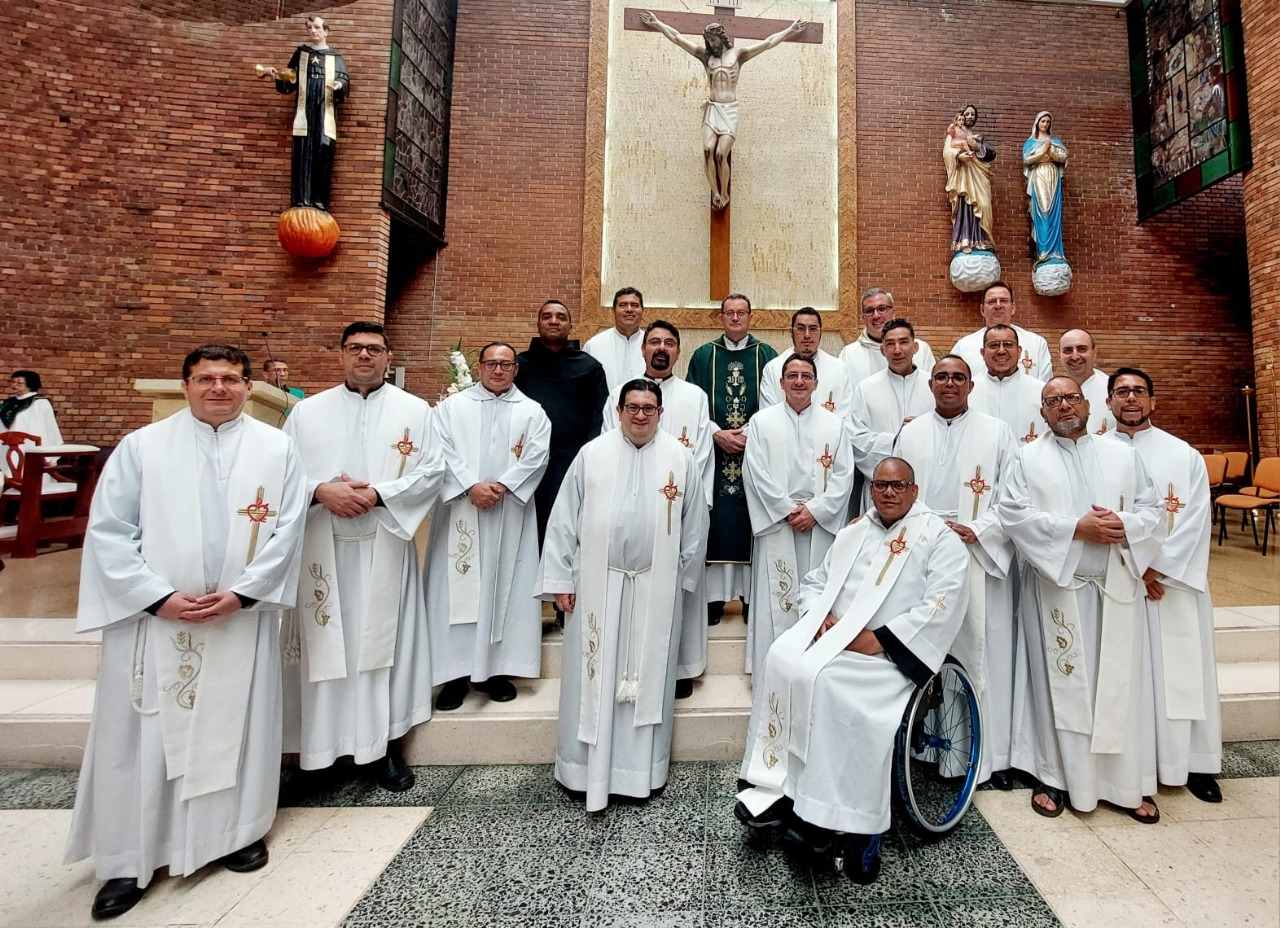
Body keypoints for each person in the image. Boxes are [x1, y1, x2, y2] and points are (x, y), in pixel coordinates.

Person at [66, 345, 307, 921]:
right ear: (185, 386)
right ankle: (128, 858)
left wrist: (245, 592)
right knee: (141, 738)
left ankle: (234, 833)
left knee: (237, 724)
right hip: (156, 619)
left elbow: (288, 528)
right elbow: (109, 531)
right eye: (206, 379)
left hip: (237, 616)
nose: (218, 388)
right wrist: (158, 597)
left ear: (248, 386)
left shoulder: (277, 448)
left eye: (230, 379)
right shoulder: (142, 447)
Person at [735, 458, 969, 883]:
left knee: (827, 686)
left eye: (899, 485)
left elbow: (942, 604)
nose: (889, 492)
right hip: (834, 640)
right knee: (780, 660)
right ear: (872, 489)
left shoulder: (938, 538)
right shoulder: (856, 530)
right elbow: (816, 582)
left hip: (886, 658)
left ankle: (829, 817)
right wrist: (820, 615)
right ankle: (780, 787)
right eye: (881, 485)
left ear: (915, 491)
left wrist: (880, 640)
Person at [282, 322, 444, 793]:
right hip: (323, 544)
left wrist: (378, 494)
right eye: (355, 348)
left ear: (389, 357)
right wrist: (320, 490)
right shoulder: (307, 413)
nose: (365, 356)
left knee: (381, 647)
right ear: (341, 355)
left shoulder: (416, 411)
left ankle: (383, 746)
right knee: (324, 647)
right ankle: (317, 753)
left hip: (383, 542)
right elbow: (280, 473)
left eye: (374, 349)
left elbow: (432, 470)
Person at [998, 376, 1164, 823]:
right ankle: (1054, 775)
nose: (1064, 406)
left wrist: (1124, 525)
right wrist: (1076, 529)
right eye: (1053, 401)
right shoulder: (1026, 458)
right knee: (1057, 685)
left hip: (1115, 588)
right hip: (1058, 586)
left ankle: (1125, 783)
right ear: (1042, 412)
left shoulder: (1123, 454)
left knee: (1119, 687)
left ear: (1088, 404)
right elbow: (1012, 514)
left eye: (1071, 397)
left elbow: (1154, 511)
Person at [537, 379, 707, 811]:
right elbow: (563, 519)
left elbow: (694, 527)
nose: (640, 415)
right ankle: (581, 772)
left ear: (661, 412)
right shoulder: (592, 455)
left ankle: (640, 773)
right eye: (633, 407)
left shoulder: (680, 458)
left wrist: (681, 581)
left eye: (649, 408)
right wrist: (561, 579)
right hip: (597, 585)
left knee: (647, 680)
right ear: (619, 410)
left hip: (655, 586)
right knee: (590, 677)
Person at [893, 355, 1019, 787]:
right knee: (923, 649)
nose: (949, 383)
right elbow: (893, 492)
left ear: (970, 385)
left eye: (958, 377)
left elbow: (1012, 498)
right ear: (930, 384)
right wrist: (924, 531)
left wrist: (977, 529)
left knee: (975, 653)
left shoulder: (997, 432)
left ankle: (978, 756)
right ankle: (925, 747)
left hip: (975, 552)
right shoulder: (910, 433)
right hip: (922, 554)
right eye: (942, 377)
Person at [1104, 368, 1222, 802]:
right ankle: (1135, 765)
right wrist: (1136, 567)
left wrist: (1157, 569)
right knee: (1127, 677)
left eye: (1138, 391)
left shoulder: (1183, 454)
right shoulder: (1096, 453)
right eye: (1121, 392)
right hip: (1120, 580)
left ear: (1153, 401)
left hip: (1171, 585)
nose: (1130, 398)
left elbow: (1196, 520)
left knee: (1182, 671)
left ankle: (1192, 763)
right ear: (1108, 402)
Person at [425, 342, 551, 711]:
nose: (498, 370)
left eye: (506, 364)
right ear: (479, 367)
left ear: (515, 369)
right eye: (492, 363)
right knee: (454, 591)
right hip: (460, 511)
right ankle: (454, 674)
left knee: (505, 586)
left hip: (509, 513)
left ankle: (497, 671)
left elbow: (537, 455)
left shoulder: (532, 412)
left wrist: (504, 486)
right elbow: (439, 449)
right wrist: (470, 486)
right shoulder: (452, 408)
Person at [602, 321, 714, 699]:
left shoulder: (695, 396)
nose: (661, 348)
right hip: (630, 511)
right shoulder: (621, 393)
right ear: (643, 349)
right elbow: (609, 447)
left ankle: (679, 667)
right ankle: (630, 664)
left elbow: (700, 454)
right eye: (654, 342)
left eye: (669, 342)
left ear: (678, 351)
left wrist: (684, 502)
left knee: (678, 586)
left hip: (675, 508)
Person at [743, 355, 854, 679]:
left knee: (818, 596)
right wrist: (786, 510)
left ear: (816, 383)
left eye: (806, 376)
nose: (799, 381)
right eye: (792, 375)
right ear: (781, 382)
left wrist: (816, 511)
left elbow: (844, 474)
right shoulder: (762, 423)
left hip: (818, 527)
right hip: (778, 524)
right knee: (777, 599)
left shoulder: (834, 425)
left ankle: (815, 673)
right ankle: (771, 673)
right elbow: (755, 472)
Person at [639, 11, 807, 210]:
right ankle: (716, 193)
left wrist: (790, 30)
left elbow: (768, 42)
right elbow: (677, 38)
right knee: (707, 150)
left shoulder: (738, 55)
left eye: (714, 39)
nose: (711, 44)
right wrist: (657, 23)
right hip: (712, 109)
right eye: (709, 41)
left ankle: (725, 194)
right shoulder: (705, 56)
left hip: (730, 111)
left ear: (721, 37)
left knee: (720, 154)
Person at [686, 293, 778, 625]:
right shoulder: (703, 355)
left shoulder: (767, 355)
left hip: (754, 452)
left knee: (751, 521)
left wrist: (749, 433)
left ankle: (751, 598)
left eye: (741, 312)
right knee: (717, 522)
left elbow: (774, 404)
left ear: (751, 316)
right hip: (714, 451)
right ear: (721, 317)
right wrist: (716, 433)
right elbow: (693, 403)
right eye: (729, 312)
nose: (735, 318)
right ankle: (713, 600)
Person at [514, 299, 609, 549]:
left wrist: (587, 457)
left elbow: (600, 416)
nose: (554, 321)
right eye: (547, 316)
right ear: (538, 324)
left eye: (561, 317)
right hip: (525, 463)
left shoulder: (589, 367)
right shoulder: (518, 367)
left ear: (570, 326)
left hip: (572, 462)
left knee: (566, 530)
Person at [271, 15, 349, 212]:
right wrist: (280, 77)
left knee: (323, 149)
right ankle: (302, 198)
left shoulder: (335, 57)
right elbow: (290, 80)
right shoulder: (301, 54)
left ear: (326, 31)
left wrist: (339, 85)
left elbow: (344, 80)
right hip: (304, 113)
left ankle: (319, 201)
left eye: (316, 27)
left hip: (324, 113)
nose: (313, 31)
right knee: (302, 153)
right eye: (309, 27)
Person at [848, 319, 934, 492]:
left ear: (915, 347)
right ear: (882, 350)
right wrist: (895, 440)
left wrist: (922, 431)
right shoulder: (866, 388)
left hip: (926, 482)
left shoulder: (933, 386)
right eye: (890, 344)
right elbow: (854, 438)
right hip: (881, 487)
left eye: (903, 342)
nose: (897, 350)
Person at [759, 308, 853, 418]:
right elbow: (768, 416)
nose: (807, 335)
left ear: (821, 332)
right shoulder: (773, 369)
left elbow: (846, 416)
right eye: (801, 329)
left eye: (813, 329)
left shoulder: (839, 369)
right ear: (791, 332)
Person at [951, 282, 1053, 383]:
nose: (998, 305)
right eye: (992, 302)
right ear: (982, 310)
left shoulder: (1036, 343)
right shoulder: (963, 347)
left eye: (1004, 301)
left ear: (1013, 308)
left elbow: (1044, 387)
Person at [838, 288, 936, 392]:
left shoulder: (921, 350)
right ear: (863, 317)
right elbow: (842, 394)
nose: (876, 316)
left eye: (882, 309)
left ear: (893, 312)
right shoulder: (849, 355)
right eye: (869, 311)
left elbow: (933, 390)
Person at [969, 324, 1045, 445]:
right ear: (983, 353)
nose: (1001, 351)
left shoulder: (1041, 391)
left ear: (1019, 351)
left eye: (1008, 344)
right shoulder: (968, 391)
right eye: (993, 345)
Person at [943, 104, 997, 254]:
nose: (970, 117)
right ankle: (965, 240)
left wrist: (978, 147)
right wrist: (959, 156)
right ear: (961, 116)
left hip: (978, 174)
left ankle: (982, 240)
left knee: (983, 205)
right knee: (966, 204)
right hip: (964, 176)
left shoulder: (978, 138)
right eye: (967, 114)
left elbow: (992, 154)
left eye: (973, 114)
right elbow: (947, 151)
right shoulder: (954, 133)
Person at [1, 370, 65, 486]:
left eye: (19, 382)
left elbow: (48, 428)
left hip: (31, 446)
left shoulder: (40, 403)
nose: (14, 385)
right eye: (13, 382)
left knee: (31, 475)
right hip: (8, 446)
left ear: (30, 384)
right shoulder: (7, 404)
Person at [1023, 111, 1069, 269]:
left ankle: (1055, 252)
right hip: (1039, 176)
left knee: (1055, 213)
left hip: (1053, 177)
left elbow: (1063, 157)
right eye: (1042, 121)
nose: (1045, 124)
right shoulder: (1031, 143)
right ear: (1037, 123)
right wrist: (1043, 152)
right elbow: (1027, 159)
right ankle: (1043, 251)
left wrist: (1051, 151)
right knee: (1043, 211)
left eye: (1048, 122)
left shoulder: (1055, 141)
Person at [583, 287, 646, 390]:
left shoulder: (653, 345)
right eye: (623, 305)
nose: (629, 309)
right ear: (614, 310)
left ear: (643, 310)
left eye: (634, 305)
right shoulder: (593, 346)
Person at [1059, 329, 1110, 434]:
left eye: (1082, 349)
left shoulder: (1112, 390)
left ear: (1094, 352)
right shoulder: (1051, 394)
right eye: (1068, 350)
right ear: (1059, 355)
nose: (1075, 357)